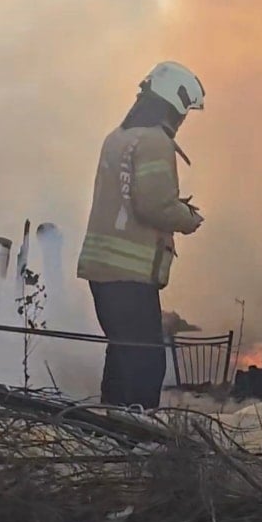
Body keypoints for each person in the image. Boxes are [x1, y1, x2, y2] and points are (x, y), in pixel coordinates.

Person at [77, 62, 205, 409]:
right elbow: (154, 205)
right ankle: (137, 432)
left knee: (122, 356)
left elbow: (128, 197)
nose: (182, 120)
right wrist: (188, 218)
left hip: (101, 271)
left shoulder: (117, 138)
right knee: (146, 364)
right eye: (184, 112)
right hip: (129, 274)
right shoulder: (155, 142)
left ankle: (110, 426)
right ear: (173, 104)